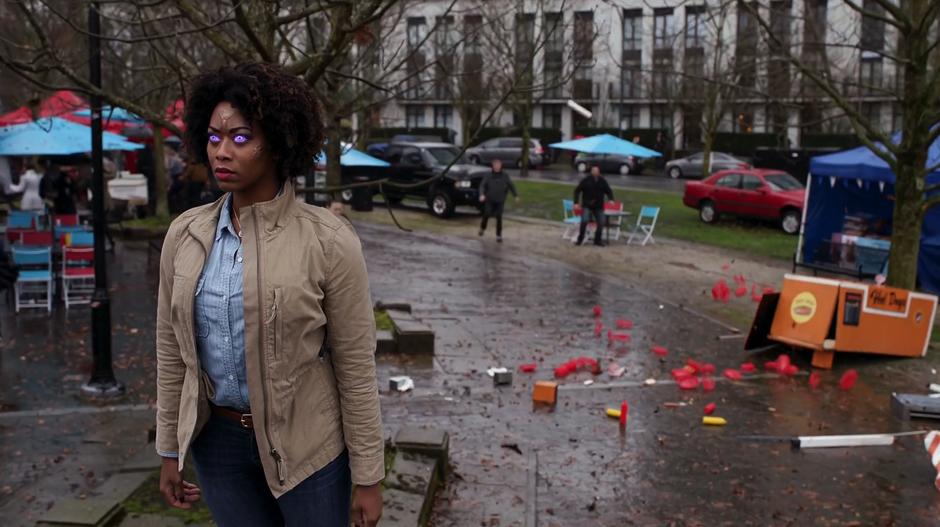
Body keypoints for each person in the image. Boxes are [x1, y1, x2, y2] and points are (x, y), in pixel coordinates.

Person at [156, 63, 384, 527]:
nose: (222, 151)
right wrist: (169, 449)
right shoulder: (185, 235)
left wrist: (369, 476)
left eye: (241, 138)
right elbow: (171, 353)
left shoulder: (328, 240)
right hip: (218, 444)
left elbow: (355, 364)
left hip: (309, 444)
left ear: (278, 143)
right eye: (215, 137)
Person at [477, 159, 518, 242]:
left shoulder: (505, 175)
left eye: (498, 165)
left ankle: (499, 235)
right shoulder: (488, 175)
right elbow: (482, 185)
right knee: (487, 213)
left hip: (500, 200)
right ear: (493, 166)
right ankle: (482, 228)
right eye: (495, 165)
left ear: (500, 165)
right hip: (489, 199)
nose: (497, 166)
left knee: (499, 216)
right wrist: (481, 194)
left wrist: (515, 195)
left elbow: (511, 185)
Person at [573, 165, 614, 246]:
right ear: (591, 171)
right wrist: (576, 202)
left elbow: (608, 191)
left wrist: (611, 199)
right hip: (587, 204)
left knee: (601, 222)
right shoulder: (586, 180)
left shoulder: (602, 181)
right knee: (584, 220)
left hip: (598, 205)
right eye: (594, 171)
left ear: (599, 172)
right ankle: (580, 239)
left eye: (597, 171)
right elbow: (577, 191)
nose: (595, 172)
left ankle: (597, 240)